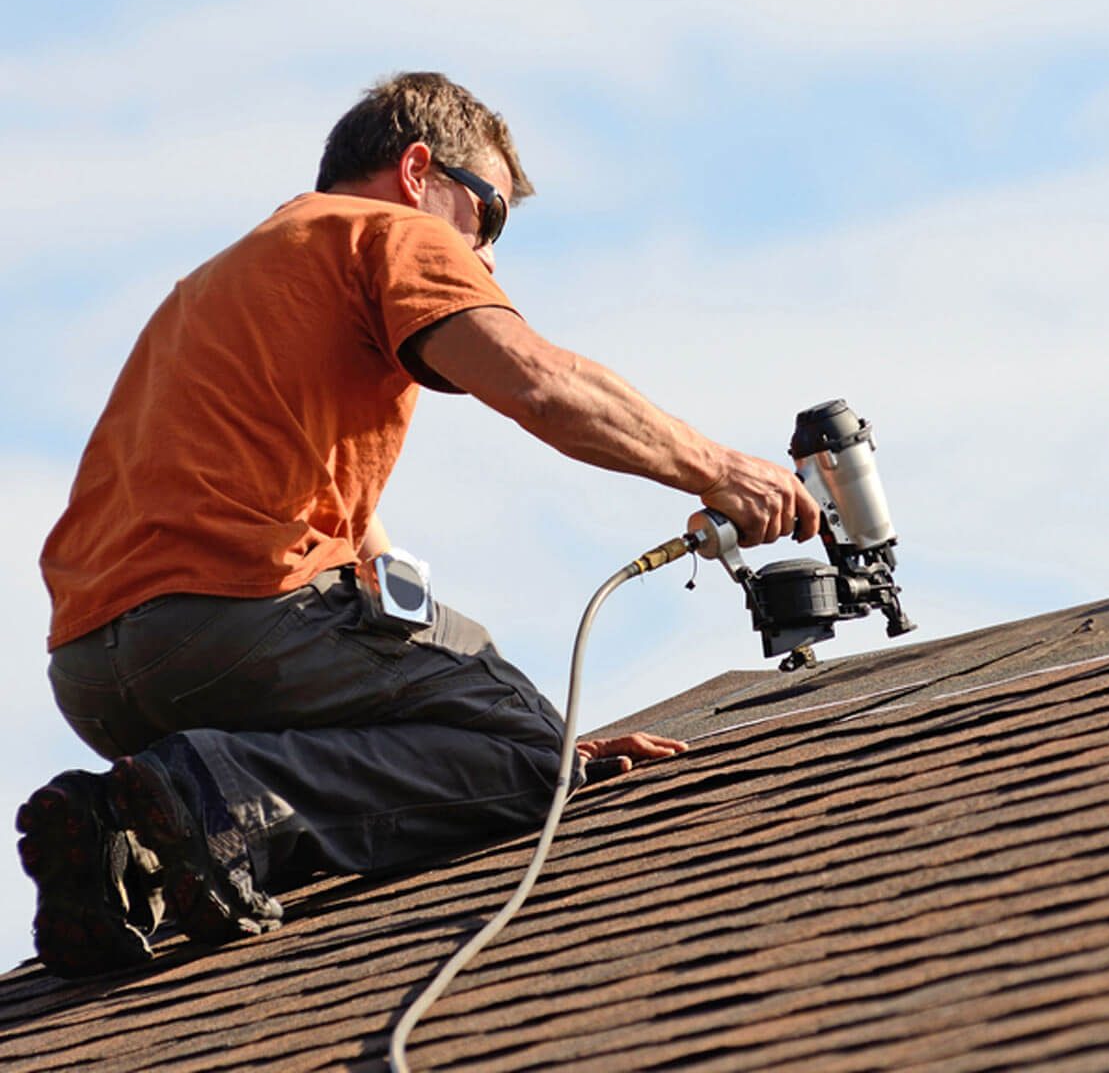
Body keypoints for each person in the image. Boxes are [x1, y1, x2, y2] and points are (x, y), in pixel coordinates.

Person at [19, 72, 819, 979]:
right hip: (232, 621)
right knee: (531, 762)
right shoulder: (389, 233)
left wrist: (500, 728)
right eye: (489, 217)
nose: (487, 255)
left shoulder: (222, 283)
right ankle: (214, 794)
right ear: (415, 170)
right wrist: (721, 471)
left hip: (92, 672)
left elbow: (360, 556)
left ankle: (125, 843)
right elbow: (540, 384)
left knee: (502, 732)